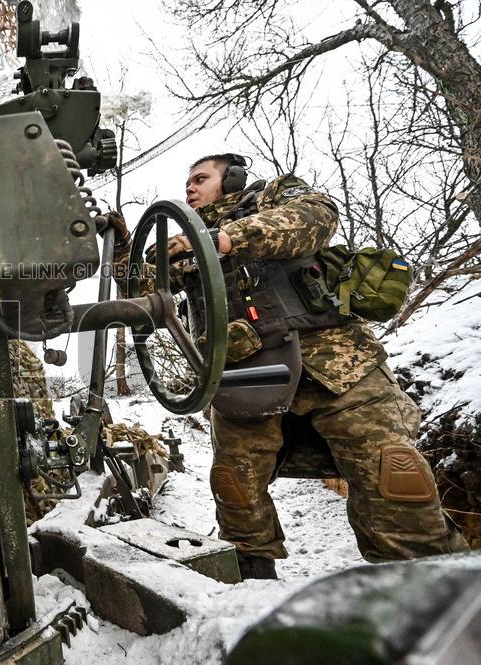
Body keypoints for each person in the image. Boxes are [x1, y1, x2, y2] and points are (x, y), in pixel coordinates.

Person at [107, 153, 468, 579]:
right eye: (187, 181)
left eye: (200, 178)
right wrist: (123, 252)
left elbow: (316, 217)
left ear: (234, 178)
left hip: (335, 362)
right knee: (234, 486)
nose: (189, 188)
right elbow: (142, 294)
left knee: (391, 475)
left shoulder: (272, 198)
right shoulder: (178, 243)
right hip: (242, 377)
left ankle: (432, 583)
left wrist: (225, 238)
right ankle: (251, 582)